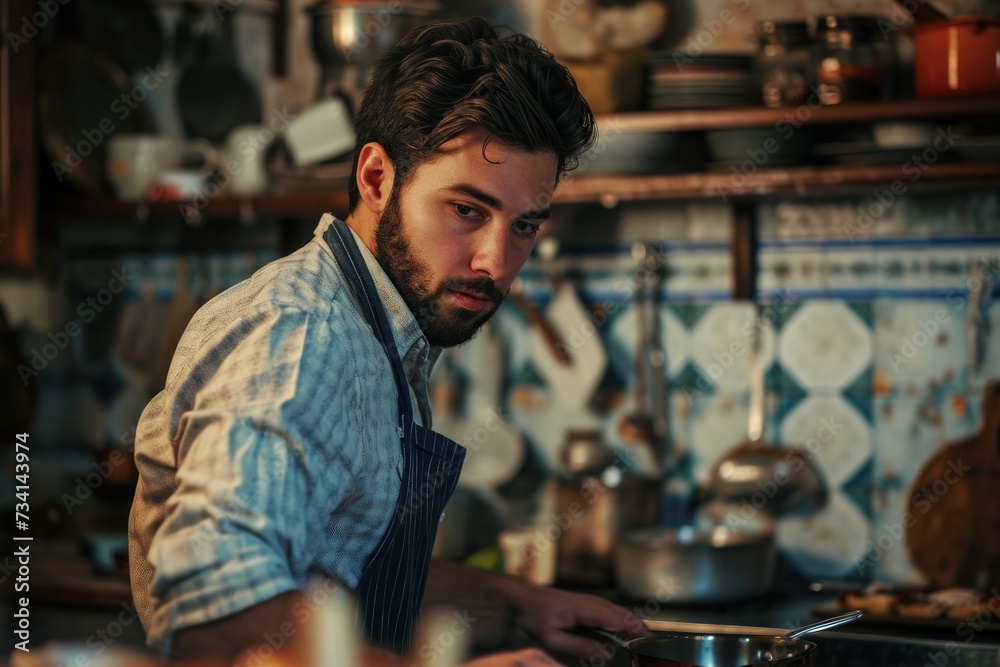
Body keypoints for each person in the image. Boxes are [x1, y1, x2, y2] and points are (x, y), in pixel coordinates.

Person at [127, 16, 650, 667]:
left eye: (525, 225)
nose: (497, 260)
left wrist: (517, 607)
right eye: (467, 210)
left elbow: (337, 583)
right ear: (376, 179)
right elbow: (221, 619)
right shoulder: (302, 336)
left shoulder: (381, 334)